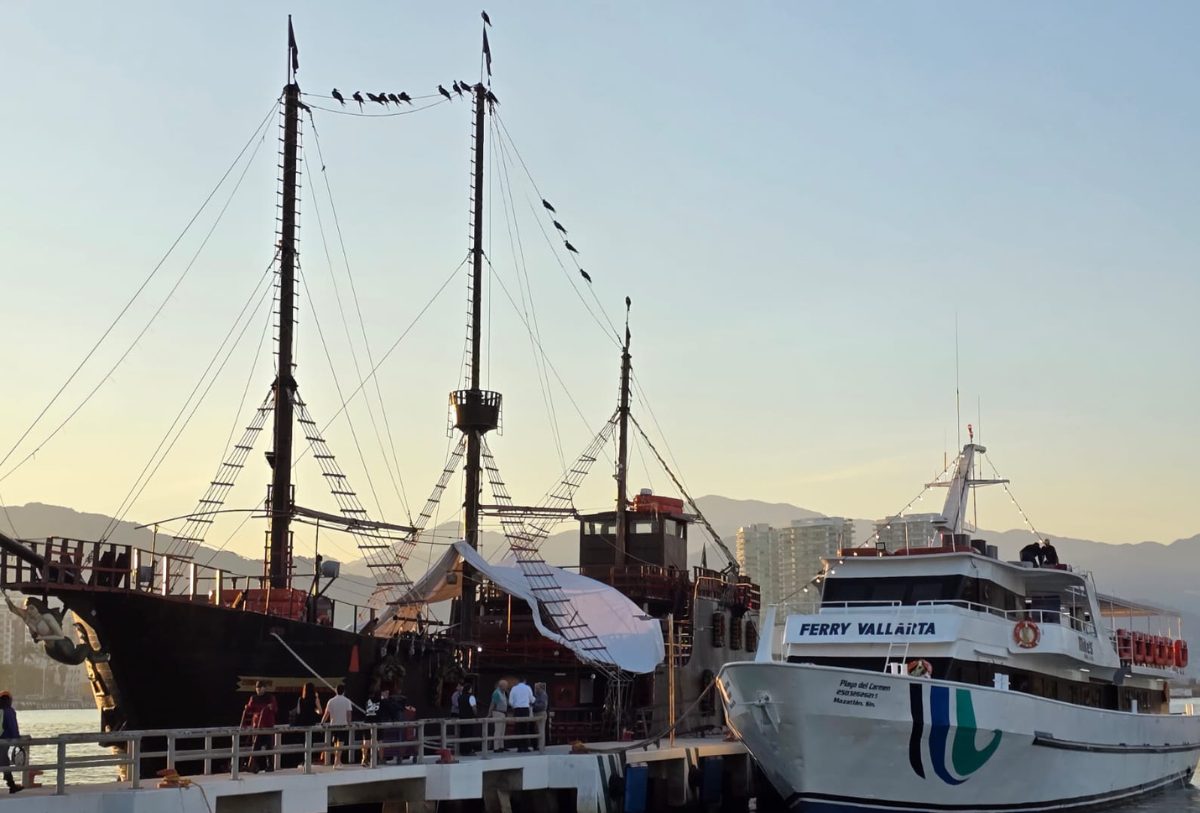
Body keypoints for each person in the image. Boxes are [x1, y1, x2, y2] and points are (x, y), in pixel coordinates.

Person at [240, 681, 278, 773]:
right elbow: (249, 709)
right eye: (257, 688)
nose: (259, 690)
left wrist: (270, 707)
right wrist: (247, 708)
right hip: (257, 725)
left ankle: (270, 765)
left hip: (268, 725)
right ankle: (253, 765)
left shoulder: (270, 697)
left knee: (269, 746)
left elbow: (275, 709)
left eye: (260, 688)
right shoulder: (253, 698)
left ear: (264, 688)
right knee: (256, 746)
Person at [320, 684, 354, 766]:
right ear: (344, 691)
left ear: (336, 690)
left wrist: (322, 722)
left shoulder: (331, 701)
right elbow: (349, 714)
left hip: (333, 724)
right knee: (341, 744)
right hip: (343, 724)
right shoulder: (347, 701)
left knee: (336, 743)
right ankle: (336, 761)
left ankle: (338, 761)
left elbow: (326, 713)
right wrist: (349, 723)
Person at [0, 691, 22, 794]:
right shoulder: (8, 711)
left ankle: (11, 785)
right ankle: (11, 785)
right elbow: (13, 727)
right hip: (3, 741)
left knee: (4, 762)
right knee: (4, 762)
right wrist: (17, 740)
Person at [507, 677, 534, 752]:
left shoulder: (514, 688)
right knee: (525, 728)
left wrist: (514, 706)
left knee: (518, 728)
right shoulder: (528, 688)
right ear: (525, 681)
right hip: (525, 709)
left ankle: (519, 747)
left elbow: (510, 701)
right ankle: (525, 747)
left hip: (517, 709)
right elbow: (531, 699)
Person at [489, 680, 509, 752]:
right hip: (498, 712)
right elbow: (493, 703)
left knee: (502, 730)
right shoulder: (496, 693)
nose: (507, 687)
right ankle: (496, 747)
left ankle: (501, 746)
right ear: (501, 686)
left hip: (503, 713)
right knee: (498, 730)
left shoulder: (503, 692)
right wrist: (489, 713)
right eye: (506, 686)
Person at [532, 682, 549, 747]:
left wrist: (534, 705)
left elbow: (542, 705)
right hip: (536, 713)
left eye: (537, 688)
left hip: (541, 713)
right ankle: (538, 745)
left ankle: (541, 745)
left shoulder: (543, 695)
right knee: (537, 730)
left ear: (540, 688)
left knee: (541, 729)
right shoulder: (536, 694)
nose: (535, 689)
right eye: (535, 688)